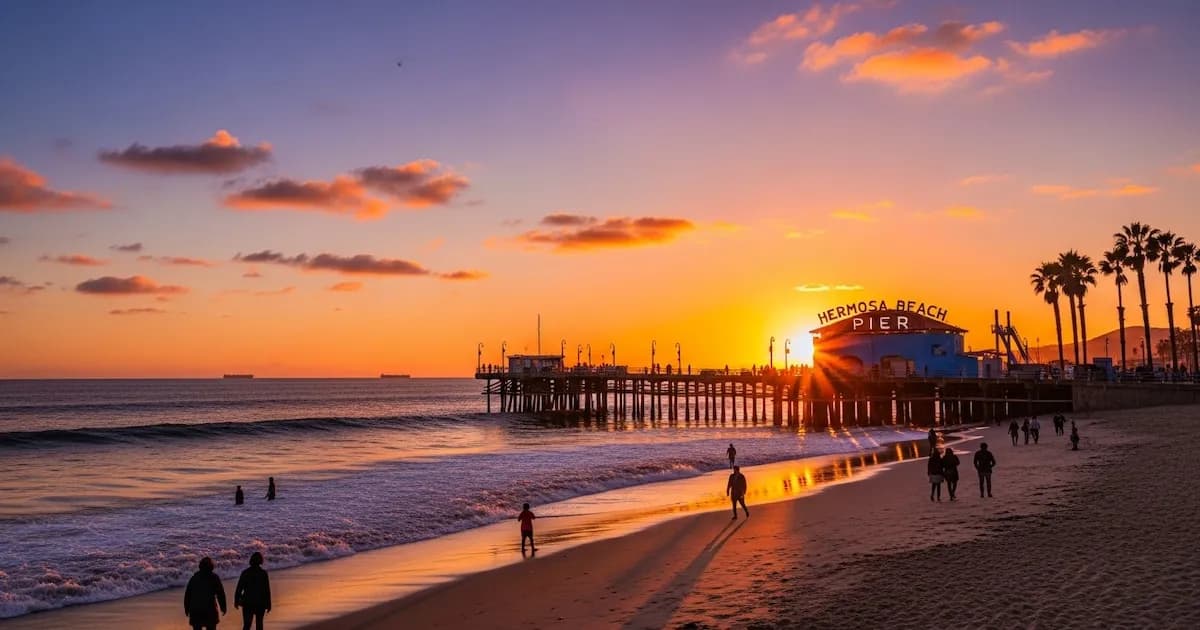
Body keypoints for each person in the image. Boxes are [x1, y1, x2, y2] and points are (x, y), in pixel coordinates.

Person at [184, 557, 226, 630]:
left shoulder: (194, 578)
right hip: (210, 610)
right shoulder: (214, 578)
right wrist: (223, 607)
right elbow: (220, 594)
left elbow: (187, 595)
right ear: (211, 567)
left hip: (195, 611)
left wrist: (186, 609)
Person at [234, 552, 271, 630]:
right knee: (259, 624)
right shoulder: (263, 573)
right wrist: (269, 603)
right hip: (260, 602)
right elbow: (267, 590)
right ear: (261, 561)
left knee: (247, 625)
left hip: (248, 602)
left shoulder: (245, 573)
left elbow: (239, 589)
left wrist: (236, 601)